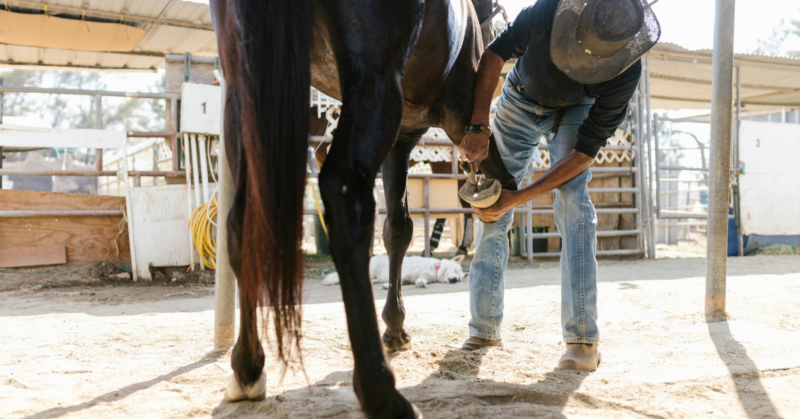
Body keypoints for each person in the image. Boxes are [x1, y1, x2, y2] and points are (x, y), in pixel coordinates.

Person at [457, 0, 660, 371]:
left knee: (574, 206)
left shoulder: (628, 67)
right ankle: (484, 328)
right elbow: (494, 55)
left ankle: (582, 339)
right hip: (519, 98)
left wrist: (520, 197)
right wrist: (477, 126)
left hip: (576, 112)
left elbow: (583, 154)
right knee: (491, 205)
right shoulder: (551, 8)